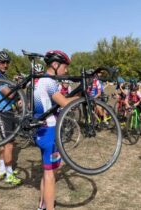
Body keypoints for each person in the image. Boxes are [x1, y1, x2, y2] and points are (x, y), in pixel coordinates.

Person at [35, 50, 79, 210]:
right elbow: (65, 103)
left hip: (41, 130)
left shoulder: (40, 80)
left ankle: (42, 204)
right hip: (49, 131)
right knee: (50, 175)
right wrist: (82, 97)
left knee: (49, 170)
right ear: (55, 65)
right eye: (65, 67)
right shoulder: (49, 82)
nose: (66, 71)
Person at [0, 51, 21, 185]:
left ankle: (2, 169)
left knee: (6, 142)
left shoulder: (2, 75)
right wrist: (18, 89)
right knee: (8, 144)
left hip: (7, 111)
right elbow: (9, 94)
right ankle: (9, 174)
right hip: (1, 112)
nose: (5, 65)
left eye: (7, 62)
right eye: (2, 62)